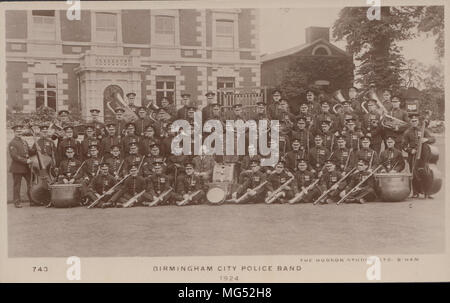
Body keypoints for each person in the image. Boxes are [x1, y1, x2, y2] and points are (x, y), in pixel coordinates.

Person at [402, 114, 436, 198]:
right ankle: (415, 192)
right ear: (410, 122)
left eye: (415, 121)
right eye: (412, 121)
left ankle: (427, 192)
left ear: (418, 121)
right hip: (413, 155)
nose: (414, 122)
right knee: (414, 173)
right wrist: (410, 150)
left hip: (424, 155)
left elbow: (433, 139)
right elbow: (403, 145)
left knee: (426, 173)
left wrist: (426, 139)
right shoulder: (407, 132)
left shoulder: (423, 130)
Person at [8, 124, 33, 208]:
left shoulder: (24, 141)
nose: (19, 133)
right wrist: (26, 161)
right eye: (17, 131)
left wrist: (36, 149)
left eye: (20, 131)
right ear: (14, 132)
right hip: (17, 168)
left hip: (26, 168)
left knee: (30, 184)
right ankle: (17, 202)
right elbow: (15, 156)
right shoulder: (12, 143)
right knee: (17, 185)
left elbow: (29, 151)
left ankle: (32, 200)